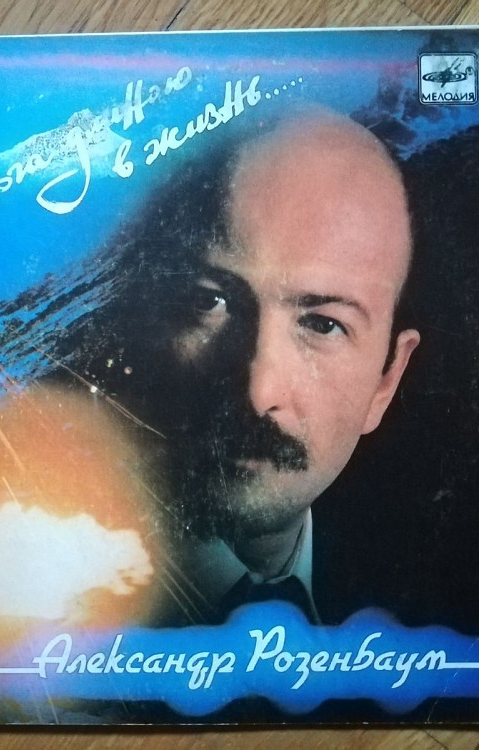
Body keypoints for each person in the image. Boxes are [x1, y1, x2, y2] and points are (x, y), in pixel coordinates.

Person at [62, 109, 421, 625]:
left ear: (386, 381)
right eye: (208, 302)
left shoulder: (411, 602)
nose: (259, 391)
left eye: (323, 325)